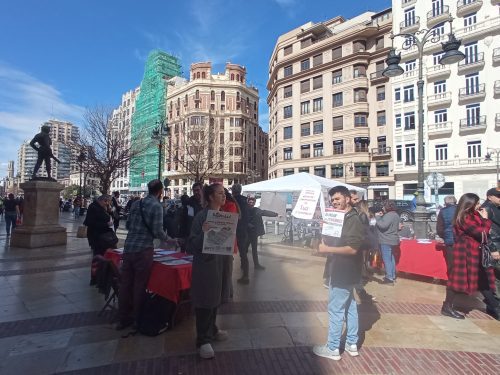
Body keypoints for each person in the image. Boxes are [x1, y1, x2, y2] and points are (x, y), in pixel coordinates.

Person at [313, 186, 364, 361]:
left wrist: (327, 248)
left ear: (348, 199)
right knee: (350, 307)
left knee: (335, 309)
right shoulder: (341, 217)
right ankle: (352, 344)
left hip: (344, 270)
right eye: (332, 200)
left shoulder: (354, 220)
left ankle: (333, 348)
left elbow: (352, 249)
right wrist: (326, 229)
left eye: (337, 199)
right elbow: (336, 239)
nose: (334, 202)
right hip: (342, 269)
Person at [117, 179, 170, 330]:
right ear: (160, 191)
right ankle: (136, 319)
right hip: (143, 249)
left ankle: (122, 318)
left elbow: (127, 225)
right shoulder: (157, 206)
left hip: (129, 248)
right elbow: (158, 231)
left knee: (125, 284)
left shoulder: (136, 204)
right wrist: (170, 239)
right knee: (140, 285)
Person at [187, 183, 232, 359]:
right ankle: (202, 339)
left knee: (216, 298)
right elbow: (192, 244)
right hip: (206, 266)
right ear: (211, 196)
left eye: (224, 193)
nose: (224, 196)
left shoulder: (223, 215)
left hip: (221, 263)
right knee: (205, 300)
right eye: (220, 193)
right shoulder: (201, 217)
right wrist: (204, 233)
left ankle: (212, 330)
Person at [442, 193, 500, 320]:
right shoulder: (464, 217)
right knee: (458, 281)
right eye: (477, 203)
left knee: (483, 279)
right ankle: (447, 307)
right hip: (466, 252)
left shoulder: (473, 215)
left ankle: (495, 307)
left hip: (476, 252)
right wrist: (485, 219)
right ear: (470, 205)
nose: (480, 205)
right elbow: (481, 233)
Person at [246, 196, 278, 271]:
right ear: (248, 202)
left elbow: (265, 212)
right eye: (250, 202)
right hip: (246, 233)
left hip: (253, 234)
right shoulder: (245, 210)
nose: (251, 203)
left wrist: (276, 214)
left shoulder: (256, 210)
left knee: (254, 250)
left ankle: (256, 265)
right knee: (244, 250)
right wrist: (248, 224)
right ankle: (244, 263)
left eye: (253, 202)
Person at [375, 200, 400, 285]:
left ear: (387, 207)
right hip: (393, 240)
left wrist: (378, 217)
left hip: (386, 240)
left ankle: (389, 278)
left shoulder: (389, 215)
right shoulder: (395, 214)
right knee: (391, 258)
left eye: (384, 206)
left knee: (387, 259)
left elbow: (383, 225)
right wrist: (383, 217)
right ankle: (392, 275)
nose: (382, 208)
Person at [481, 188, 500, 295]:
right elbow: (485, 231)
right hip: (495, 244)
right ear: (489, 197)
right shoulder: (487, 208)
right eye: (498, 196)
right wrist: (493, 249)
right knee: (496, 273)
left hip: (497, 243)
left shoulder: (496, 207)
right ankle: (496, 300)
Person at [232, 183, 250, 285]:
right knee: (243, 254)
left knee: (228, 252)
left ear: (233, 191)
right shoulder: (245, 201)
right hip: (243, 230)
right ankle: (245, 274)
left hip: (234, 229)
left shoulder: (233, 200)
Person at [436, 195, 458, 278]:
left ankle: (452, 279)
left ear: (445, 203)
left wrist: (443, 237)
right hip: (461, 240)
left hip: (449, 240)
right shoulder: (460, 210)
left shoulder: (443, 211)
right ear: (455, 201)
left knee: (451, 261)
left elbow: (440, 228)